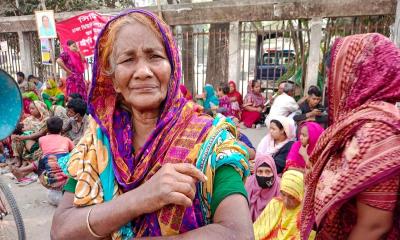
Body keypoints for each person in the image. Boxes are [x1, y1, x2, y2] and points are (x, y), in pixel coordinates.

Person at [51, 10, 253, 240]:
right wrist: (142, 197)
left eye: (155, 57)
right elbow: (61, 230)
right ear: (113, 80)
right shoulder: (97, 145)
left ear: (172, 67)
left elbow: (238, 233)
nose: (143, 72)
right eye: (127, 60)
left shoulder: (210, 140)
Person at [301, 33, 400, 240]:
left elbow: (374, 225)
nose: (330, 85)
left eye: (333, 74)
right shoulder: (356, 124)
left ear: (357, 76)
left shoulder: (377, 131)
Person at [253, 170, 312, 240]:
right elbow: (257, 231)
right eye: (283, 194)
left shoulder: (305, 216)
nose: (286, 201)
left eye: (292, 197)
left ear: (301, 195)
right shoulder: (275, 204)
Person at [37, 117, 72, 200]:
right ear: (61, 128)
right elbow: (74, 151)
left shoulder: (41, 139)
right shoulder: (66, 140)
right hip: (66, 181)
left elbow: (45, 153)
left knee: (42, 158)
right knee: (71, 156)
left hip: (50, 183)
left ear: (47, 129)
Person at [10, 101, 49, 172]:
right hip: (29, 140)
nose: (30, 110)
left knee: (23, 137)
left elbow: (41, 133)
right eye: (30, 109)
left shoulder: (46, 119)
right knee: (16, 138)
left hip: (40, 143)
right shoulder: (29, 119)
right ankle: (18, 158)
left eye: (33, 108)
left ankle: (26, 162)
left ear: (39, 108)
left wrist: (25, 134)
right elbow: (20, 127)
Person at [245, 153, 280, 222]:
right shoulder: (249, 184)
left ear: (274, 172)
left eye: (268, 172)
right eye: (260, 171)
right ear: (255, 172)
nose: (263, 175)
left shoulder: (280, 187)